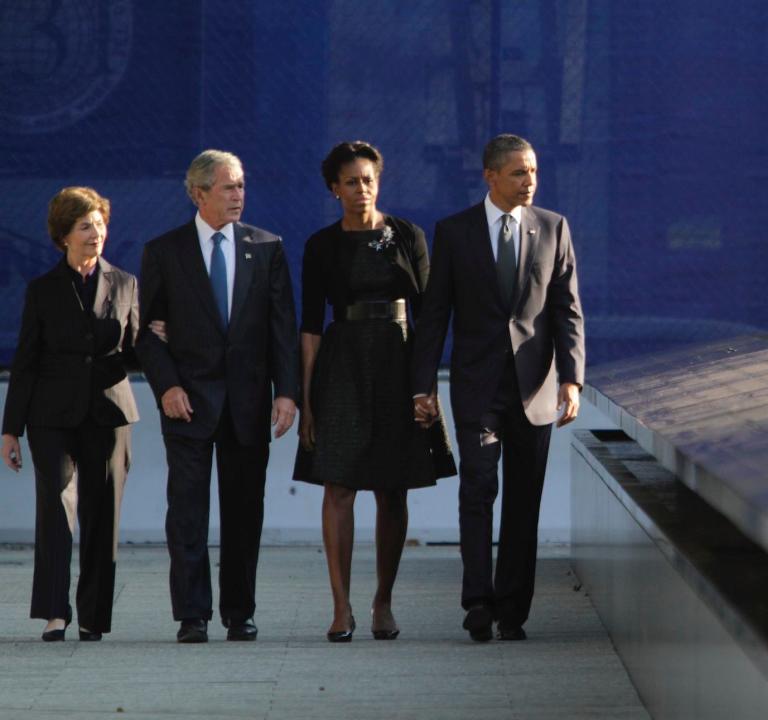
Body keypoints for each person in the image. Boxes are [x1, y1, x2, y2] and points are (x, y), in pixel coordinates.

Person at [411, 134, 585, 642]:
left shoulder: (554, 227)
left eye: (533, 172)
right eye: (518, 173)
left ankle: (513, 610)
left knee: (523, 500)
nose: (529, 181)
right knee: (478, 488)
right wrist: (422, 385)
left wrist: (572, 379)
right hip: (477, 388)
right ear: (490, 176)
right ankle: (478, 602)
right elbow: (436, 313)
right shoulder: (455, 231)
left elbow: (566, 309)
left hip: (536, 389)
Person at [294, 141, 455, 642]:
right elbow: (310, 326)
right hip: (342, 366)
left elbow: (431, 317)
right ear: (333, 189)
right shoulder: (321, 245)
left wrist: (426, 388)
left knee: (393, 485)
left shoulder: (405, 235)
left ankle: (383, 601)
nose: (361, 189)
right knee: (338, 486)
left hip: (400, 365)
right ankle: (341, 608)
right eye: (350, 181)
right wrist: (306, 400)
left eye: (368, 179)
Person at [136, 149, 299, 643]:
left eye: (242, 185)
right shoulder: (165, 251)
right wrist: (167, 386)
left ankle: (239, 612)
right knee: (187, 512)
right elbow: (146, 333)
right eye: (227, 187)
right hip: (187, 403)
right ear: (197, 192)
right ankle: (193, 614)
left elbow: (282, 330)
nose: (238, 195)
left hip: (248, 404)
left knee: (244, 512)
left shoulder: (266, 247)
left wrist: (287, 392)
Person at [1, 187, 139, 642]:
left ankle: (94, 617)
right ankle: (54, 613)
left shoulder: (126, 284)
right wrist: (10, 430)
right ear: (64, 235)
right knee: (57, 509)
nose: (96, 233)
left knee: (102, 515)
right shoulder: (42, 290)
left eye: (100, 224)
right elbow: (26, 361)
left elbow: (137, 349)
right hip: (51, 415)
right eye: (85, 226)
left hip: (107, 414)